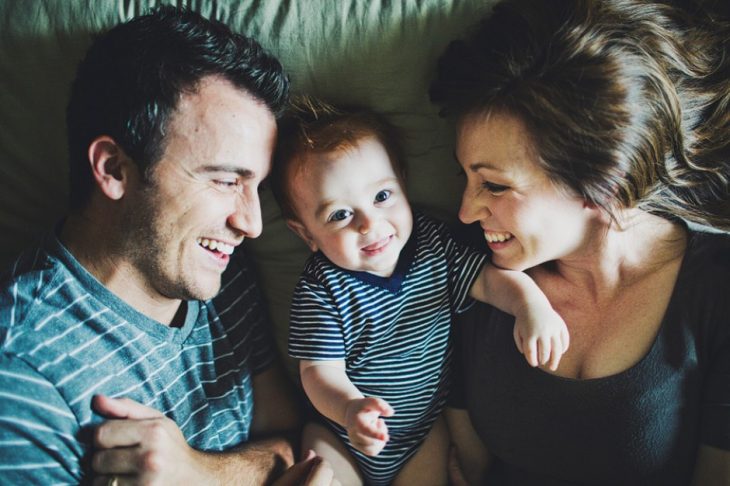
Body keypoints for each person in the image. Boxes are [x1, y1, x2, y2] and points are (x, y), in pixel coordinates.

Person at [0, 7, 337, 485]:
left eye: (255, 187)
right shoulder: (22, 378)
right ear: (114, 168)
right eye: (224, 180)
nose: (252, 224)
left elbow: (287, 441)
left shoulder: (215, 268)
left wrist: (201, 474)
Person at [429, 0, 730, 484]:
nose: (466, 211)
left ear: (602, 183)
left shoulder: (715, 293)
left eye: (496, 185)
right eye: (463, 176)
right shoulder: (468, 267)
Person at [270, 96, 569, 485]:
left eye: (381, 197)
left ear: (403, 185)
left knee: (439, 457)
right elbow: (318, 372)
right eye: (340, 215)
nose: (369, 223)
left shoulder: (433, 244)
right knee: (318, 459)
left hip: (421, 432)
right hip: (342, 433)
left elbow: (488, 281)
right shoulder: (322, 287)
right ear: (305, 233)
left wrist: (530, 305)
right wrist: (348, 408)